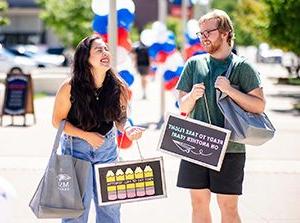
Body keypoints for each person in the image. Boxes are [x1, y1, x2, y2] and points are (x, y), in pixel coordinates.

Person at [176, 9, 265, 223]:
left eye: (209, 32)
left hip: (230, 147)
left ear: (225, 33)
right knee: (198, 203)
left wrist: (231, 90)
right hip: (196, 142)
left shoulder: (242, 66)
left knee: (228, 207)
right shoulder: (193, 64)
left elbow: (259, 106)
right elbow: (182, 105)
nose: (203, 37)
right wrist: (191, 97)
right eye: (201, 33)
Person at [52, 35, 144, 223]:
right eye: (99, 50)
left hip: (108, 152)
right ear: (86, 58)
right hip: (75, 152)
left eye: (106, 49)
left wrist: (128, 129)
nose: (105, 53)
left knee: (110, 212)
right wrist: (86, 136)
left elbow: (120, 117)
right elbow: (57, 122)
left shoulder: (118, 85)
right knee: (75, 213)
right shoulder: (69, 87)